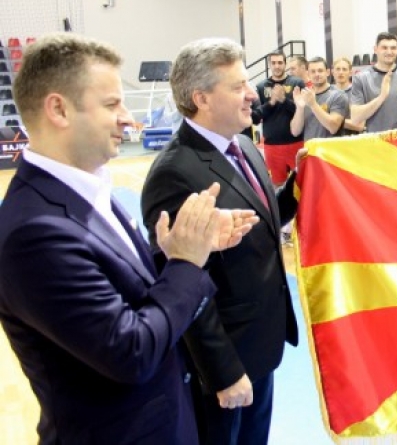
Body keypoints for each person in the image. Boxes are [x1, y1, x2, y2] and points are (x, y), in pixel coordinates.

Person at [0, 33, 253, 444]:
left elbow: (130, 292)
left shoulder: (87, 190)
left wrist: (181, 248)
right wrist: (186, 263)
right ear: (59, 109)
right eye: (111, 104)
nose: (128, 119)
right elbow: (130, 352)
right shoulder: (34, 234)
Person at [141, 38, 300, 445]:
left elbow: (261, 219)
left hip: (260, 344)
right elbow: (179, 280)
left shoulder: (243, 144)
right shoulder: (174, 173)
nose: (252, 94)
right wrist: (222, 371)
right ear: (202, 99)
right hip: (225, 361)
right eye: (238, 86)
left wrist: (298, 189)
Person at [249, 52, 306, 189]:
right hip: (272, 145)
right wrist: (272, 102)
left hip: (295, 142)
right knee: (277, 185)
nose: (277, 66)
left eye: (280, 62)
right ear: (269, 65)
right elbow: (256, 117)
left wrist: (284, 100)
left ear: (285, 64)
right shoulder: (261, 86)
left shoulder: (296, 83)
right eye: (273, 63)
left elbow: (302, 110)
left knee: (301, 182)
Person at [350, 31, 397, 132]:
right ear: (375, 49)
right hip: (374, 140)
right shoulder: (361, 78)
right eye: (384, 48)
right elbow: (355, 118)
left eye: (393, 48)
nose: (389, 52)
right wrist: (382, 97)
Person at [290, 57, 349, 140]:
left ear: (327, 72)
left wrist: (313, 104)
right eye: (313, 71)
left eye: (320, 71)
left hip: (329, 148)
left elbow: (333, 128)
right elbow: (295, 131)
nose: (317, 74)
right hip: (310, 147)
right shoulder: (305, 95)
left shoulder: (338, 95)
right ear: (308, 73)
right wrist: (299, 108)